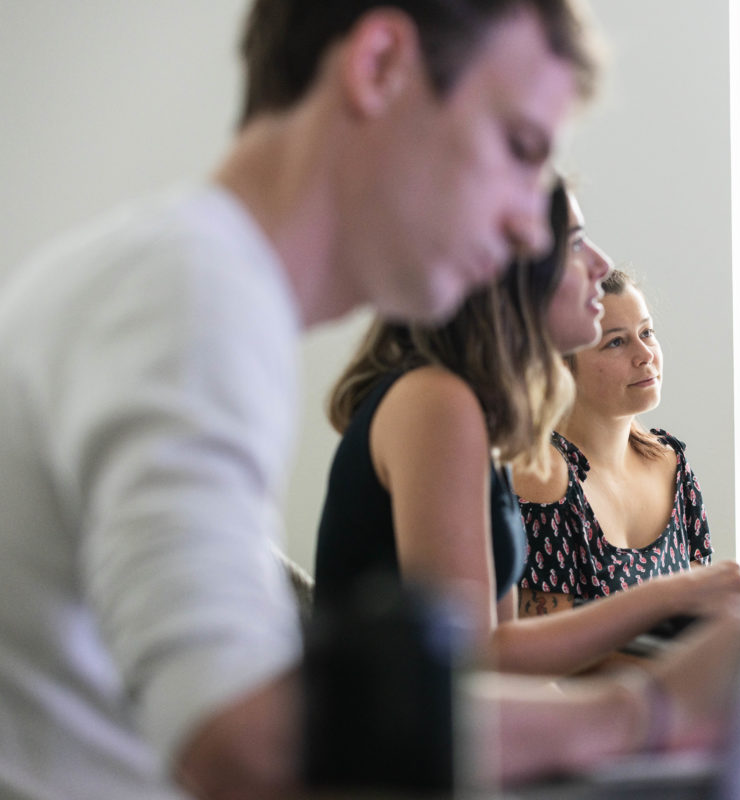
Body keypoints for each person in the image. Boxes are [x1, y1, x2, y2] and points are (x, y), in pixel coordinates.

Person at [0, 1, 604, 797]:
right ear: (379, 66)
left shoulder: (190, 283)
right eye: (519, 148)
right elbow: (241, 737)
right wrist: (644, 712)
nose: (531, 229)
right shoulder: (189, 292)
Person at [314, 183, 740, 677]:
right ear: (501, 268)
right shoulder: (436, 401)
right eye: (574, 243)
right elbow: (469, 671)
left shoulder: (479, 416)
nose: (601, 264)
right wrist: (669, 597)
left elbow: (503, 651)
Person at [515, 269, 740, 623]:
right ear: (561, 366)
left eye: (647, 333)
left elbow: (697, 621)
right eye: (616, 342)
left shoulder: (672, 465)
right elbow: (545, 649)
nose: (645, 355)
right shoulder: (545, 479)